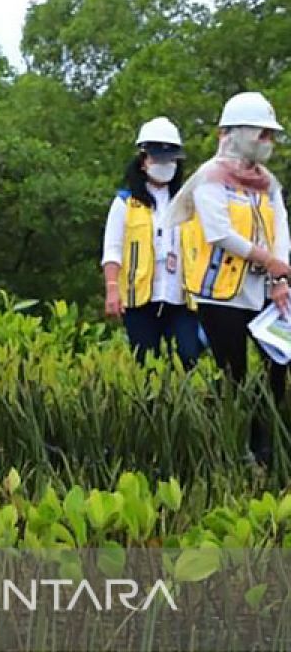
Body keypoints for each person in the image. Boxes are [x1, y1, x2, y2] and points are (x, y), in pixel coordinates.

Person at [168, 92, 291, 467]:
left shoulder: (267, 182)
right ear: (236, 132)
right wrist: (268, 260)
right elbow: (219, 232)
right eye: (261, 133)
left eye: (270, 135)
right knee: (233, 372)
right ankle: (231, 448)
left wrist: (281, 275)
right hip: (221, 294)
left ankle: (268, 444)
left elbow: (280, 227)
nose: (266, 142)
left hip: (264, 292)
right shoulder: (209, 178)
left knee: (278, 365)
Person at [102, 117, 201, 368]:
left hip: (180, 296)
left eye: (169, 159)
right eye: (157, 158)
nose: (163, 164)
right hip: (141, 298)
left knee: (188, 356)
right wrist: (112, 289)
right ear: (143, 160)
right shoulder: (125, 202)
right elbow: (112, 250)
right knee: (146, 364)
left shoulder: (189, 202)